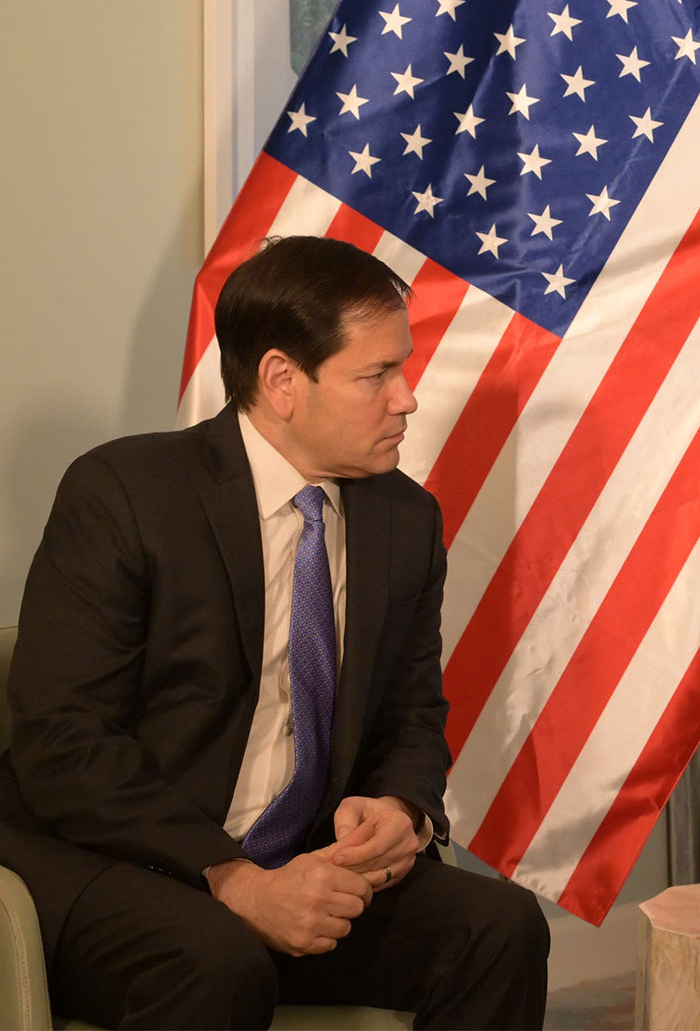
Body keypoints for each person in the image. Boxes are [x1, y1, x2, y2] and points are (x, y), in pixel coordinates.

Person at [0, 236, 549, 1028]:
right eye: (376, 375)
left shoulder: (405, 519)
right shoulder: (125, 493)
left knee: (498, 928)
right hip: (120, 861)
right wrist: (232, 878)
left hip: (302, 865)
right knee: (215, 961)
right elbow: (64, 745)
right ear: (282, 382)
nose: (408, 398)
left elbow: (411, 714)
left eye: (403, 367)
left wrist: (401, 806)